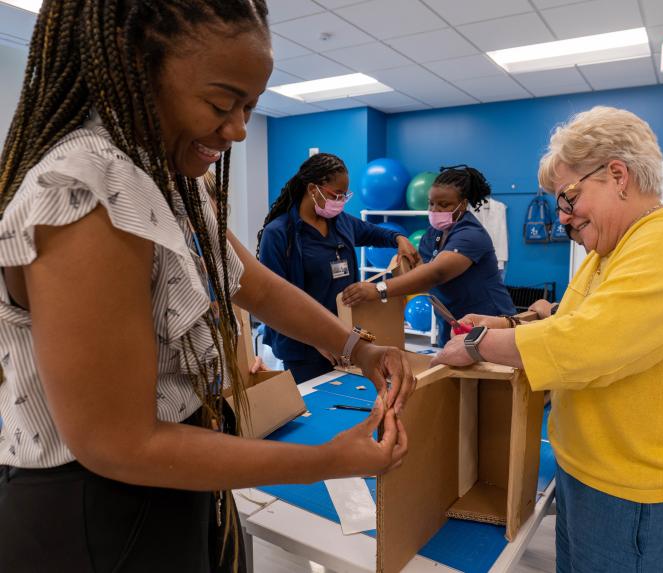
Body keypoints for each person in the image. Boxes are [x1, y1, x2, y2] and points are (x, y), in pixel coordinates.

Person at [0, 2, 414, 572]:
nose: (239, 129)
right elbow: (117, 442)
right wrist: (324, 459)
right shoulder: (86, 191)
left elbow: (256, 287)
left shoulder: (167, 177)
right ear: (133, 67)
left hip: (173, 478)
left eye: (250, 107)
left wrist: (357, 349)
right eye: (222, 104)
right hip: (96, 512)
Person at [432, 107, 663, 573]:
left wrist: (477, 344)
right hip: (593, 481)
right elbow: (575, 317)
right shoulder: (610, 253)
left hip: (654, 500)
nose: (563, 218)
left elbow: (588, 343)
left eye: (568, 198)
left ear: (617, 175)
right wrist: (511, 325)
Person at [257, 153, 420, 382]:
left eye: (345, 195)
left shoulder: (341, 222)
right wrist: (317, 340)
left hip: (345, 337)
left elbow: (376, 233)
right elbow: (274, 302)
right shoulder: (279, 234)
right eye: (337, 194)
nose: (341, 201)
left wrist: (399, 238)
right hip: (303, 347)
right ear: (313, 189)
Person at [341, 165, 515, 345]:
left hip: (490, 322)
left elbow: (436, 274)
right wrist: (402, 265)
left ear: (462, 205)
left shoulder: (471, 235)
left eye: (444, 204)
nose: (435, 210)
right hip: (453, 324)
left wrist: (379, 289)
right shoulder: (433, 234)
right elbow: (421, 273)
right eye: (431, 203)